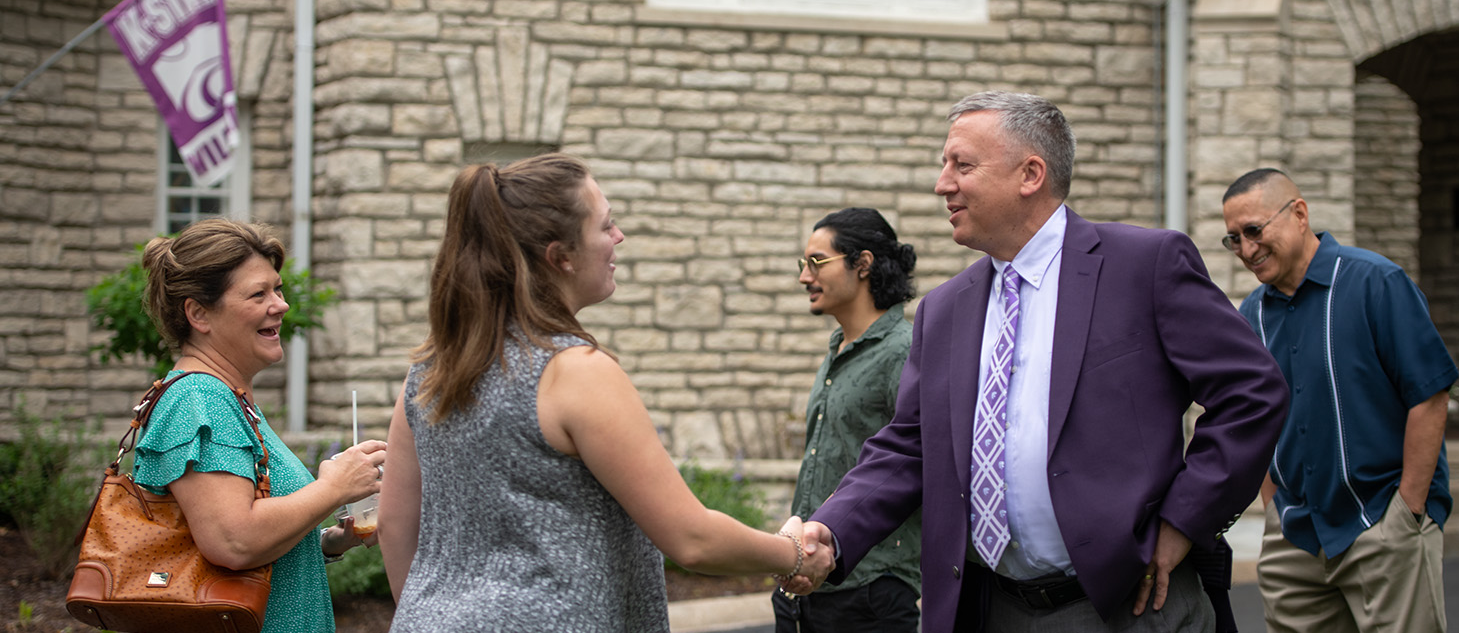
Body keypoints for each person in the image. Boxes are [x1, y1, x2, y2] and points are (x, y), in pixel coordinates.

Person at [790, 91, 1290, 633]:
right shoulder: (943, 310)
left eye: (962, 165)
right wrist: (832, 532)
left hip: (1129, 605)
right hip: (989, 609)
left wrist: (1184, 520)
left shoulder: (1143, 267)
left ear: (1030, 174)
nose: (942, 184)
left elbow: (1251, 392)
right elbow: (908, 445)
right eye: (943, 165)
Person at [379, 153, 834, 632]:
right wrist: (794, 553)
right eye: (606, 226)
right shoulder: (573, 371)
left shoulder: (430, 371)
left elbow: (392, 526)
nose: (619, 238)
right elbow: (691, 538)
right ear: (561, 257)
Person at [1221, 168, 1456, 633]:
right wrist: (1275, 514)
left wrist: (1407, 511)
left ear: (1299, 214)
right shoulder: (1251, 317)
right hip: (1297, 540)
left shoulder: (1376, 283)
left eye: (1254, 231)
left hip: (1382, 524)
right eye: (1233, 239)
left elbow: (1429, 395)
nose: (1247, 250)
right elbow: (1257, 419)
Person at [132, 219, 386, 633]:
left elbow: (240, 545)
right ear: (198, 313)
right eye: (258, 294)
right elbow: (234, 543)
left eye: (278, 288)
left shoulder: (229, 397)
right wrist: (332, 488)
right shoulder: (199, 398)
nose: (281, 304)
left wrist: (330, 540)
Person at [774, 208, 923, 632]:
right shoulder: (838, 346)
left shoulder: (904, 352)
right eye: (803, 264)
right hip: (805, 589)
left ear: (863, 264)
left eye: (817, 262)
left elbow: (924, 462)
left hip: (871, 592)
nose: (805, 276)